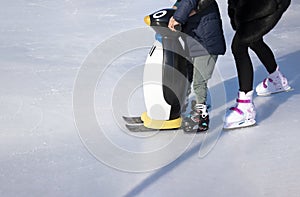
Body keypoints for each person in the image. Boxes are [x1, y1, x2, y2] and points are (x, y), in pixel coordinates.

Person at [224, 0, 292, 129]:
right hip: (248, 7)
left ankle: (246, 107)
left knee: (239, 46)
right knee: (253, 40)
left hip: (263, 5)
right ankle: (277, 80)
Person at [168, 0, 226, 131]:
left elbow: (189, 1)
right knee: (188, 74)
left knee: (199, 81)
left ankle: (201, 115)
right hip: (197, 41)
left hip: (207, 44)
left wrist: (177, 17)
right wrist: (174, 10)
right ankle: (182, 104)